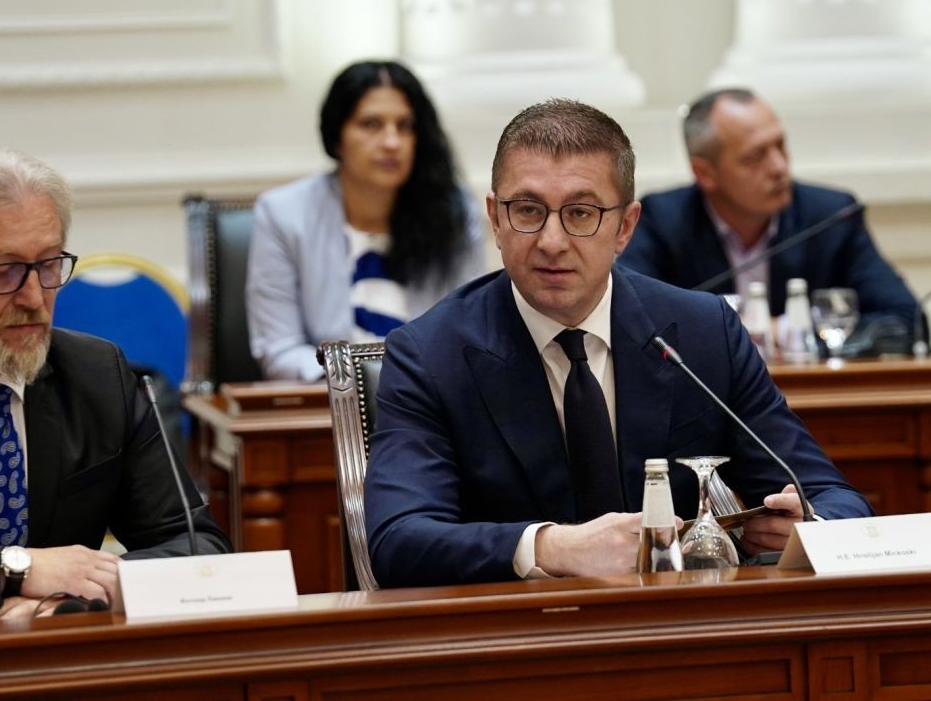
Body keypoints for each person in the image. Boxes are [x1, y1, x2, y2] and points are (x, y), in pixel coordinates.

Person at [364, 99, 872, 588]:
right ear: (496, 219)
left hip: (681, 626)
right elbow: (397, 541)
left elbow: (835, 499)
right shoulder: (430, 354)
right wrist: (551, 548)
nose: (551, 241)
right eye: (528, 210)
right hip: (517, 631)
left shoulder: (703, 333)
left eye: (581, 213)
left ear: (625, 227)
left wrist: (808, 526)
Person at [0, 149, 231, 623]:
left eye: (49, 265)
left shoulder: (98, 376)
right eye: (4, 271)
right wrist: (14, 569)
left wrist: (65, 600)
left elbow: (197, 546)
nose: (35, 298)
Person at [246, 60, 487, 381]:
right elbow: (280, 350)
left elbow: (467, 335)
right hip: (327, 399)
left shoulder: (454, 212)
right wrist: (360, 384)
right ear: (337, 138)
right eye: (371, 125)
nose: (392, 142)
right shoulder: (284, 214)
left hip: (432, 401)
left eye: (405, 126)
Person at [618, 88, 916, 336]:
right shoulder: (664, 222)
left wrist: (787, 332)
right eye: (756, 156)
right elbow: (630, 321)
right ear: (705, 173)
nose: (779, 167)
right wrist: (733, 336)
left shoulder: (832, 216)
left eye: (780, 145)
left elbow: (907, 320)